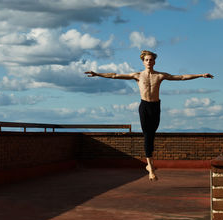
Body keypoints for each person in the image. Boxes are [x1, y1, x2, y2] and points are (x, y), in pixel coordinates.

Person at [85, 50, 213, 181]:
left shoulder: (160, 75)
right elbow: (115, 75)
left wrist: (201, 75)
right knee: (147, 135)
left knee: (152, 134)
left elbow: (180, 77)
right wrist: (97, 74)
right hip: (145, 106)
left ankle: (149, 164)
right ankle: (150, 167)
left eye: (151, 60)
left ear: (154, 61)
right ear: (143, 61)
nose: (149, 62)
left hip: (156, 107)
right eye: (146, 60)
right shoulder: (138, 75)